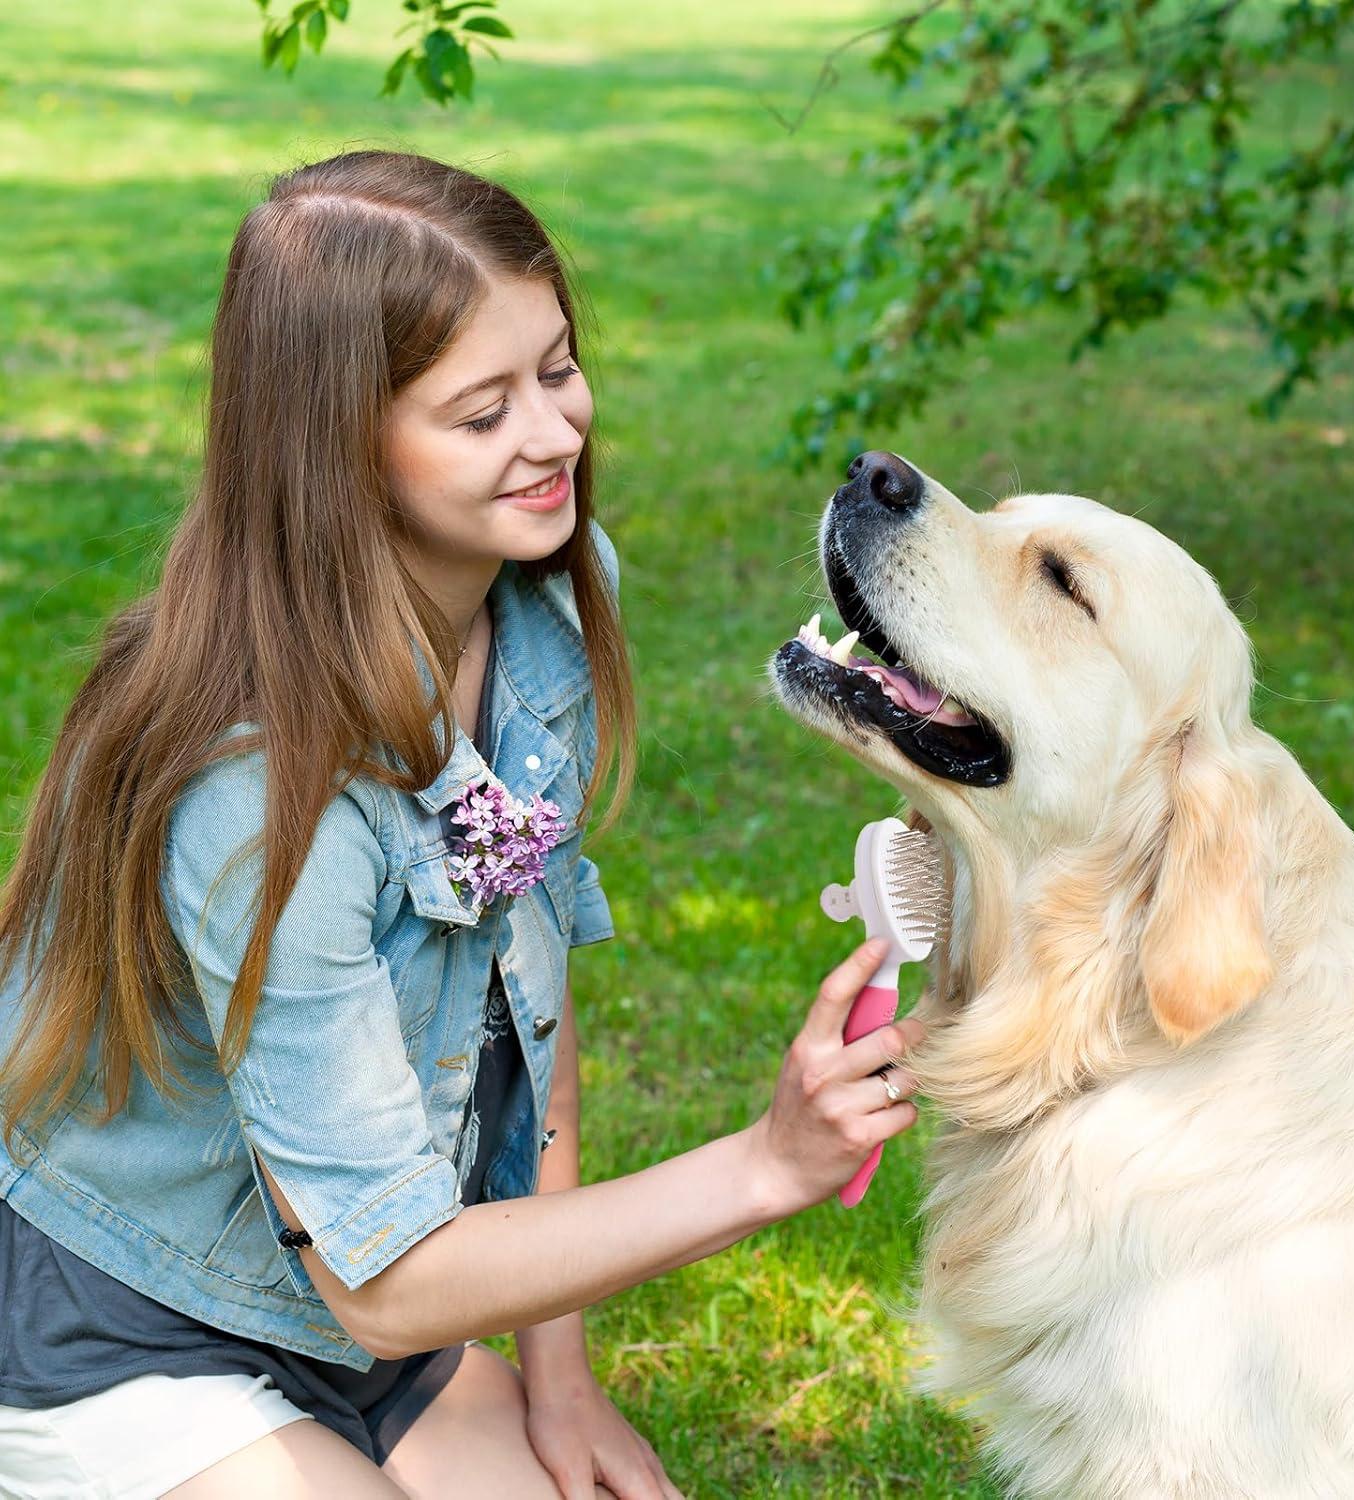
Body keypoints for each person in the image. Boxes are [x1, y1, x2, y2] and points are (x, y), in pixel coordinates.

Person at [0, 149, 926, 1499]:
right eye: (482, 410)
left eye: (555, 372)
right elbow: (389, 1283)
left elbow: (521, 994)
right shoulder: (261, 797)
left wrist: (561, 1382)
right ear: (337, 450)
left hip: (334, 1290)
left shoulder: (543, 608)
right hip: (128, 1314)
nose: (555, 437)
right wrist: (767, 1167)